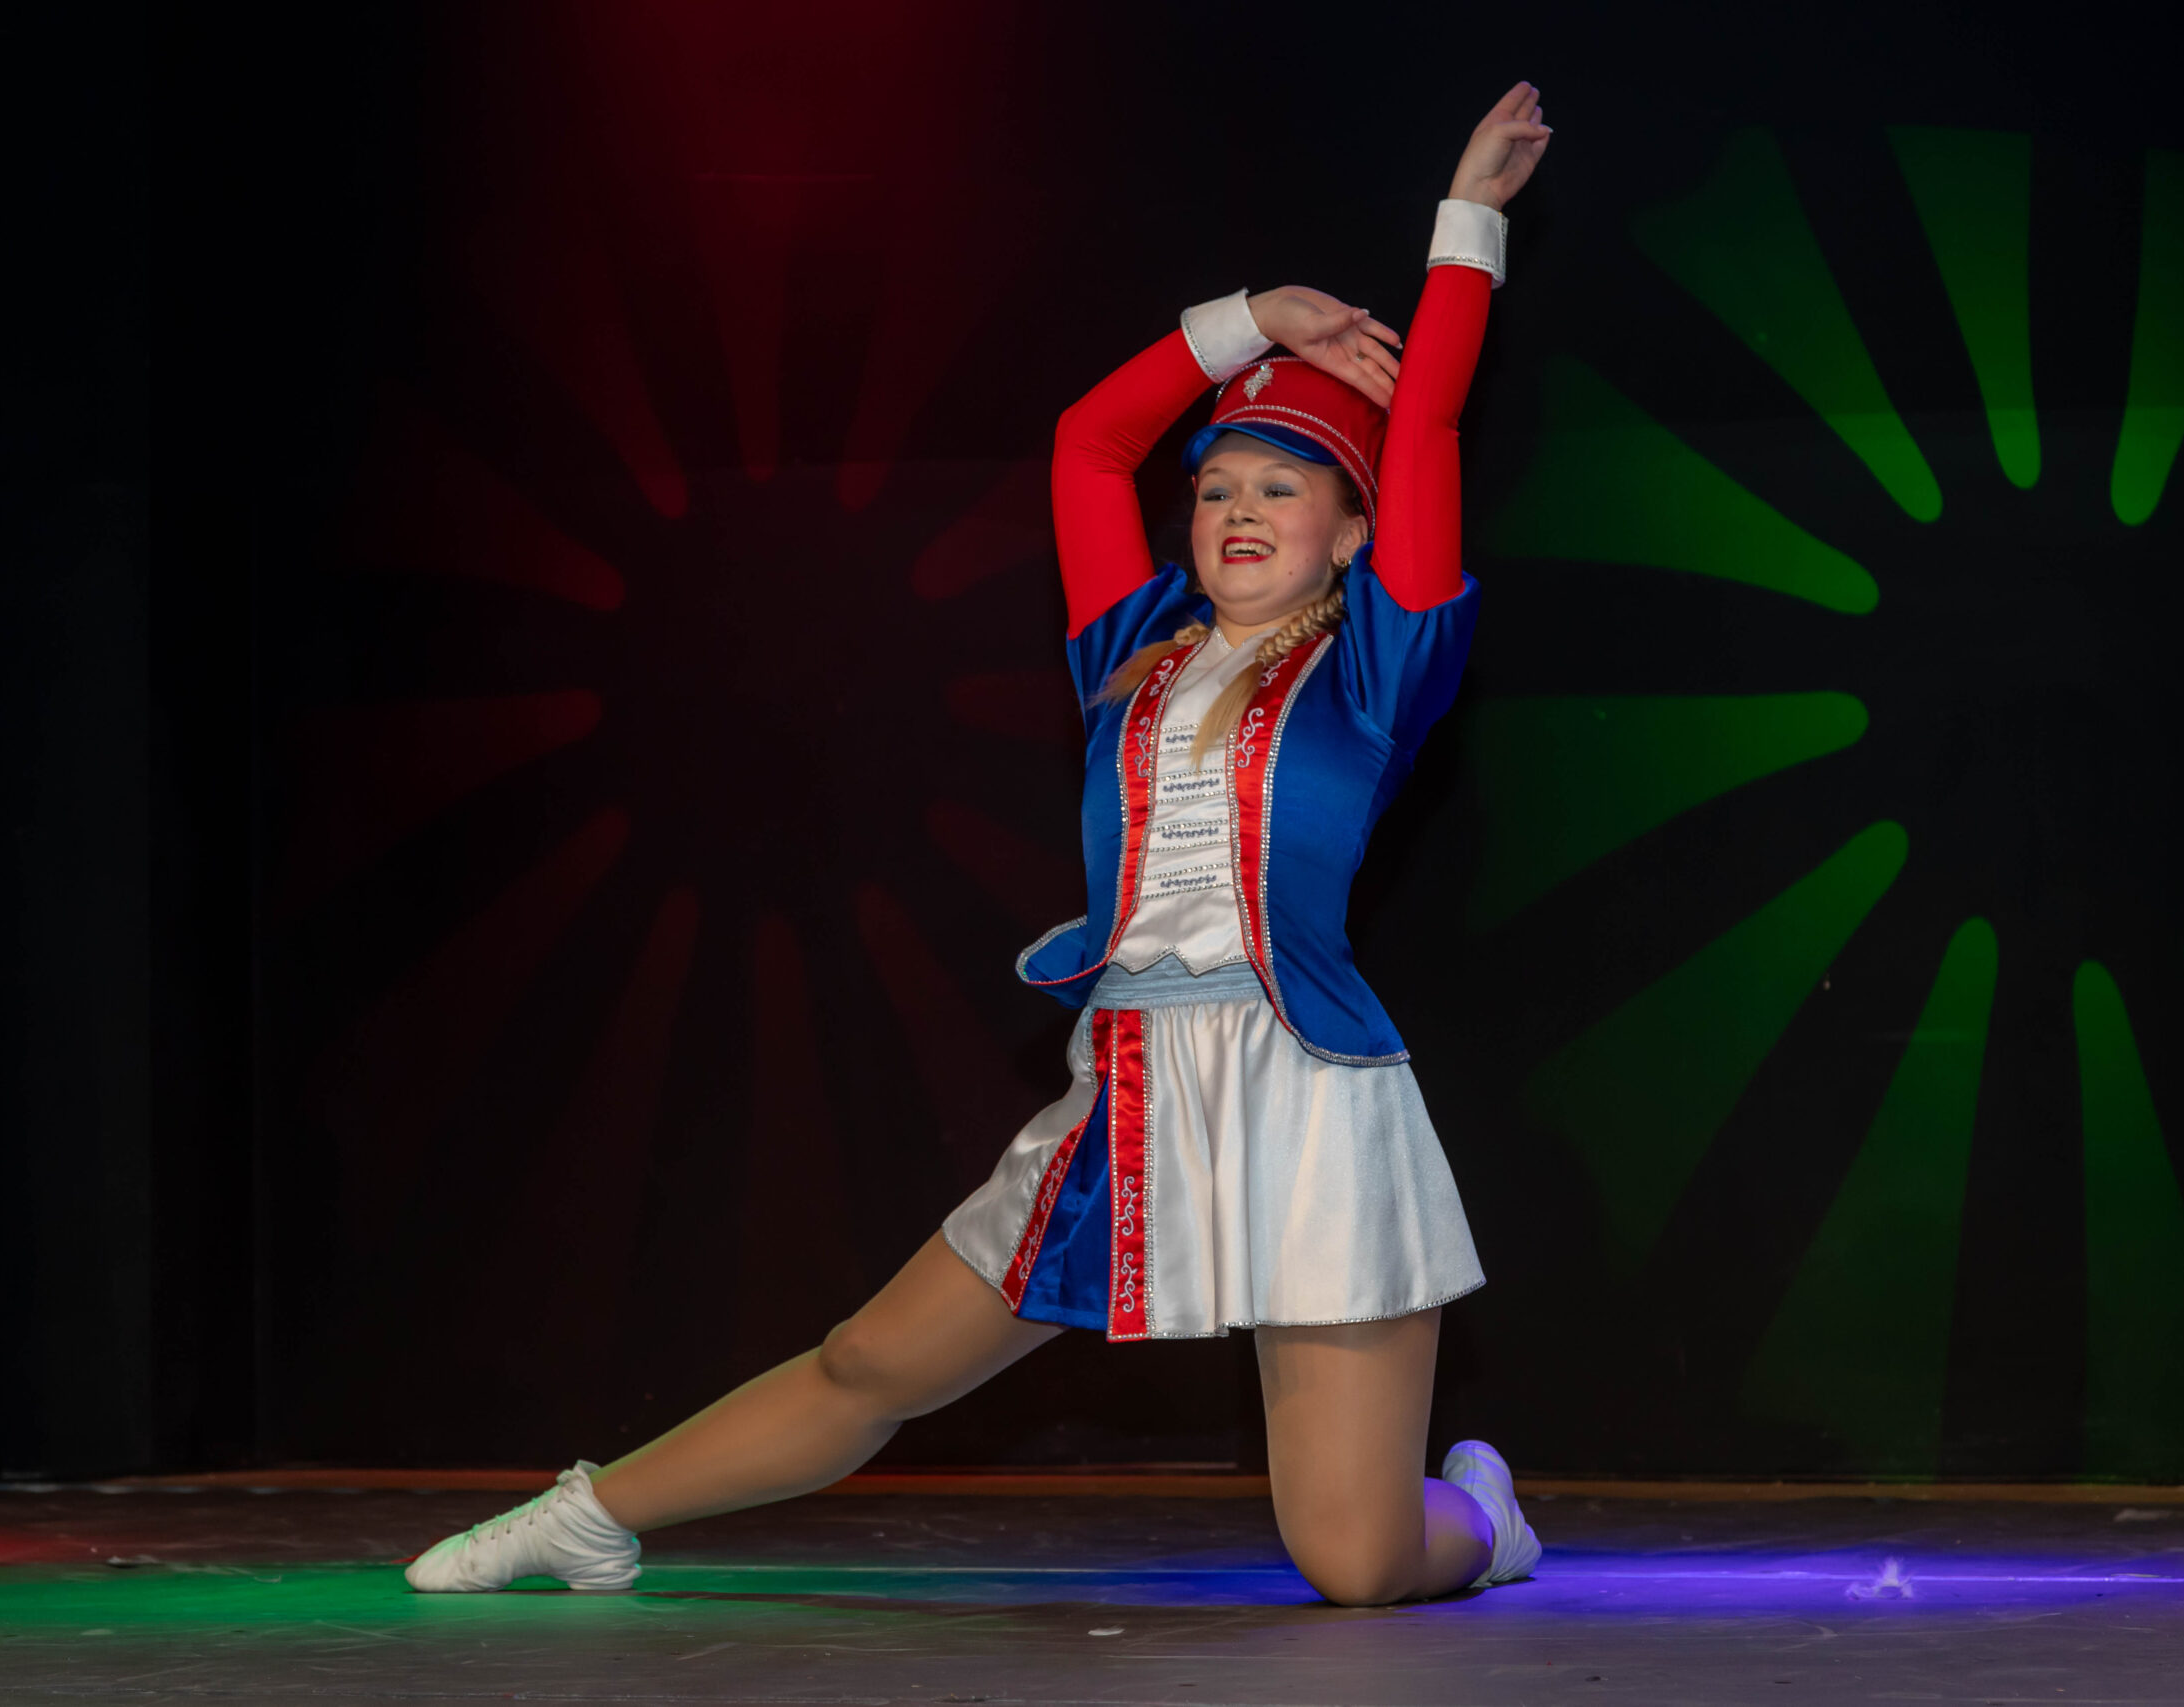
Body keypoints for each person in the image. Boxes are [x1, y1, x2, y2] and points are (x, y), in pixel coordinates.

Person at [406, 83, 1553, 1608]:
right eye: (1216, 488)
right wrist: (1249, 320)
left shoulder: (1374, 675)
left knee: (1355, 1562)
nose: (1238, 510)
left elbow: (1432, 423)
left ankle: (1484, 1517)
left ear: (1352, 533)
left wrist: (1465, 226)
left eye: (1282, 488)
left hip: (1312, 1102)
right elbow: (1090, 446)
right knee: (869, 1360)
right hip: (1131, 1089)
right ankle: (586, 1515)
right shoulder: (1131, 653)